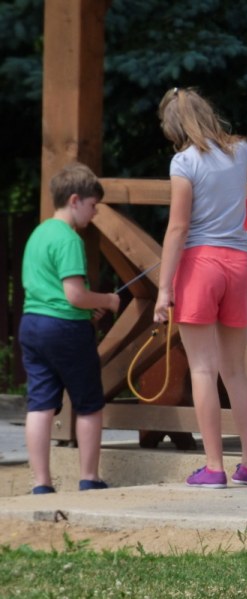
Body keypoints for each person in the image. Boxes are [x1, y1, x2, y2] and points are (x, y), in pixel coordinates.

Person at [154, 87, 247, 489]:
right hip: (238, 264)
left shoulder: (183, 162)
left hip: (200, 265)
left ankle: (213, 467)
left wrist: (163, 289)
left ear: (174, 127)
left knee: (203, 369)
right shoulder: (240, 152)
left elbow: (178, 227)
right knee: (236, 371)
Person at [19, 162, 121, 494]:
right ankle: (89, 478)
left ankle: (41, 483)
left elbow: (49, 289)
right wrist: (106, 300)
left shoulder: (38, 234)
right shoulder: (69, 239)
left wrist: (86, 307)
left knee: (40, 404)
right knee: (89, 403)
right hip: (65, 329)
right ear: (75, 200)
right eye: (93, 205)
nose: (95, 213)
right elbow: (74, 295)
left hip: (32, 325)